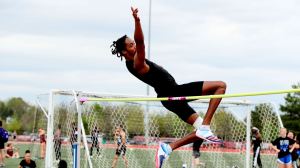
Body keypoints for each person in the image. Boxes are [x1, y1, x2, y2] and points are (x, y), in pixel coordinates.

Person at [110, 7, 226, 168]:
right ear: (124, 51)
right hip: (174, 93)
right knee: (220, 86)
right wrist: (137, 21)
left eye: (133, 43)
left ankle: (168, 147)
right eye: (131, 45)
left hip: (171, 96)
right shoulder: (136, 63)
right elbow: (142, 42)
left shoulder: (133, 62)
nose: (134, 46)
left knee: (200, 132)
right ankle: (205, 126)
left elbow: (140, 45)